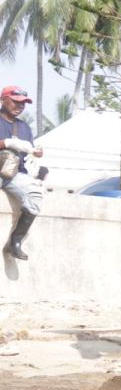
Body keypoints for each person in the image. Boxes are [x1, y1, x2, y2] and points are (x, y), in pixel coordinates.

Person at [1, 85, 44, 261]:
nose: (19, 106)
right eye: (15, 102)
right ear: (4, 99)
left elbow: (28, 152)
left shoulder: (24, 127)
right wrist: (8, 143)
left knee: (35, 197)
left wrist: (35, 152)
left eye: (23, 103)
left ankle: (16, 240)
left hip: (12, 174)